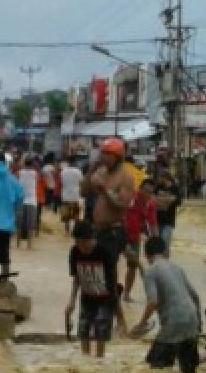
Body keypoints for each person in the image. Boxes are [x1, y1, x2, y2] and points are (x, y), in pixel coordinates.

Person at [81, 138, 135, 335]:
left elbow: (123, 204)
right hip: (97, 231)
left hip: (114, 232)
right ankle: (103, 317)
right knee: (95, 275)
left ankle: (120, 320)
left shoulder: (126, 177)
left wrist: (105, 191)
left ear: (117, 157)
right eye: (102, 153)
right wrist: (90, 171)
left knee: (108, 277)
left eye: (108, 154)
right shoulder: (101, 171)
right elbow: (83, 191)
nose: (104, 157)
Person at [135, 236, 202, 373]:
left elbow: (153, 302)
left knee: (156, 372)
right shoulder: (177, 267)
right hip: (192, 320)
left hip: (173, 323)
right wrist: (199, 321)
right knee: (189, 372)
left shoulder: (151, 271)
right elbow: (195, 296)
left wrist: (141, 324)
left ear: (146, 254)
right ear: (165, 251)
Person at [65, 221, 120, 359]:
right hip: (87, 296)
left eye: (83, 242)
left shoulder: (104, 253)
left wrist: (119, 313)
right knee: (83, 330)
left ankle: (99, 361)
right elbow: (76, 278)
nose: (80, 246)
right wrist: (72, 300)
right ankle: (85, 361)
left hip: (105, 298)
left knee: (101, 332)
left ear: (91, 239)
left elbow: (113, 282)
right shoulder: (75, 252)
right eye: (77, 242)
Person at [122, 179, 159, 303]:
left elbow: (153, 224)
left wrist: (157, 243)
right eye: (146, 191)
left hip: (134, 238)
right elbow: (119, 212)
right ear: (140, 189)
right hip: (120, 235)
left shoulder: (150, 204)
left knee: (132, 266)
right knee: (137, 263)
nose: (147, 194)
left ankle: (126, 294)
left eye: (150, 192)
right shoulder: (131, 198)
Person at [154, 169, 182, 256]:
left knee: (165, 242)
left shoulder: (174, 188)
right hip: (157, 219)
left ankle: (165, 263)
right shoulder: (158, 187)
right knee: (158, 244)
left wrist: (170, 200)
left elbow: (179, 202)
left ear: (165, 178)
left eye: (159, 177)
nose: (158, 179)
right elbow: (152, 198)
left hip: (168, 220)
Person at [16, 155, 40, 250]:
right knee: (30, 225)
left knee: (19, 225)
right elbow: (37, 183)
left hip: (21, 200)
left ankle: (18, 244)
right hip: (32, 201)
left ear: (24, 163)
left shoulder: (19, 173)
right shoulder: (35, 173)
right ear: (32, 164)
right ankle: (29, 245)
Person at [58, 159, 84, 236]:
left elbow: (61, 183)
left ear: (69, 163)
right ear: (75, 163)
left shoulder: (63, 172)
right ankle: (75, 231)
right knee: (76, 214)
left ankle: (67, 232)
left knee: (66, 216)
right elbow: (81, 182)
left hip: (65, 195)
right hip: (75, 195)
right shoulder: (78, 171)